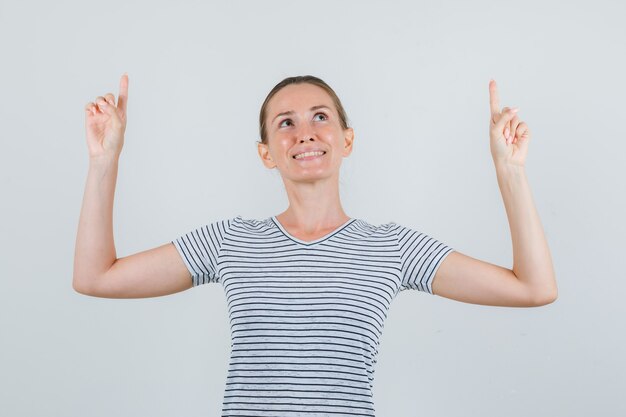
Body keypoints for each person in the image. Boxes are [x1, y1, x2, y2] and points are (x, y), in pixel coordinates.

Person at [74, 73, 558, 415]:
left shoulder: (391, 248)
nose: (304, 132)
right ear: (267, 153)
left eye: (320, 117)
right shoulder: (230, 242)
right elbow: (96, 277)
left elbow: (533, 288)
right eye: (285, 122)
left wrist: (510, 171)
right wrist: (104, 159)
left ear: (347, 140)